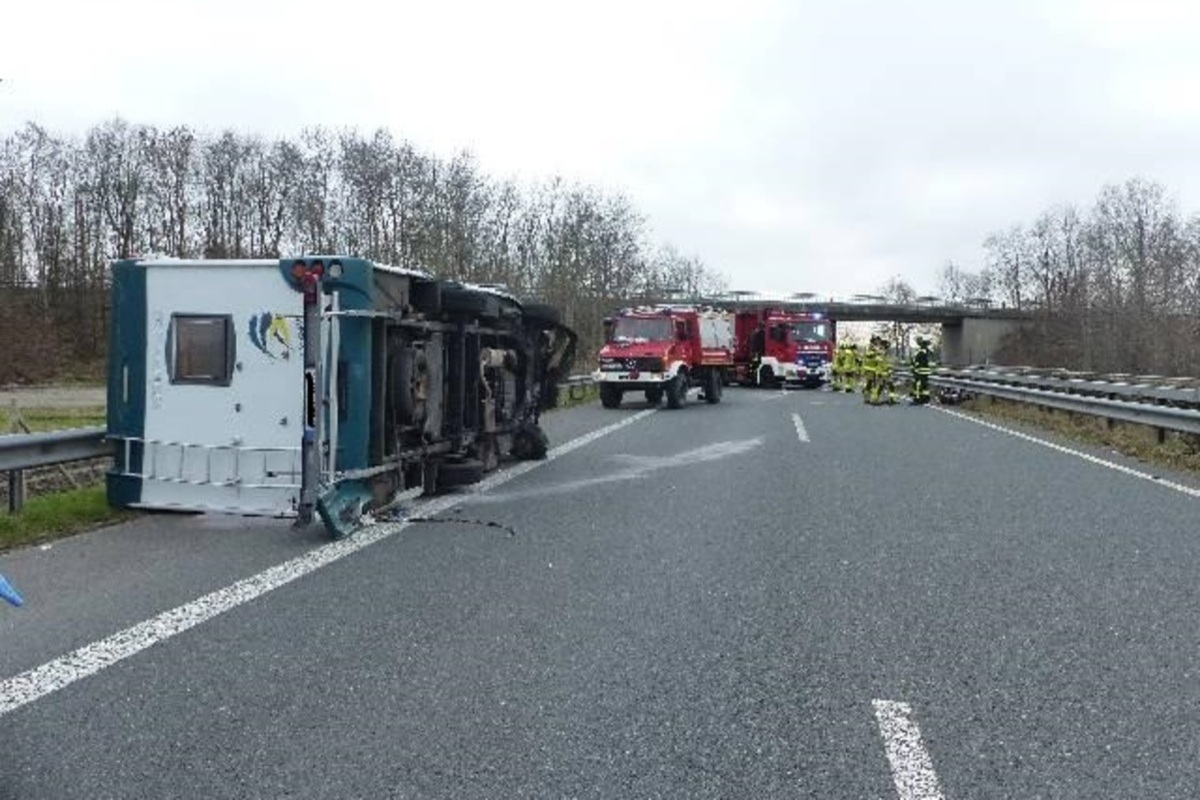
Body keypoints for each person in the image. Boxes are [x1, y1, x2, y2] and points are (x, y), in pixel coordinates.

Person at [910, 336, 934, 404]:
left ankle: (917, 399)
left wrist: (913, 368)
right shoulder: (928, 351)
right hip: (926, 371)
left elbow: (916, 361)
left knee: (918, 385)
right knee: (924, 385)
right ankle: (925, 398)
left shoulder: (920, 352)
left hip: (919, 371)